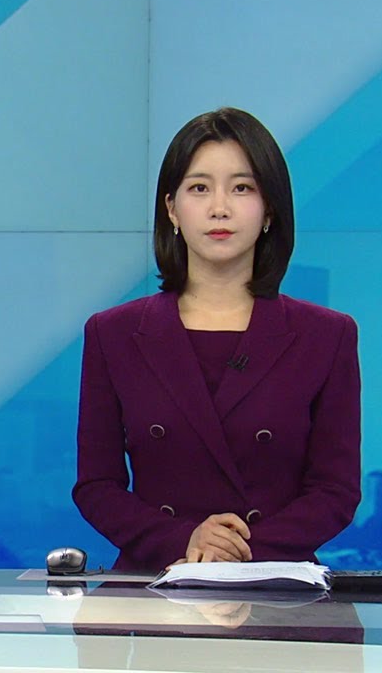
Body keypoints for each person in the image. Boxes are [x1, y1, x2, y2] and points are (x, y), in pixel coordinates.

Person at [72, 107, 361, 570]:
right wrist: (185, 542)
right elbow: (97, 486)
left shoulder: (327, 336)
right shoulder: (113, 334)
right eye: (199, 188)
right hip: (156, 581)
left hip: (275, 583)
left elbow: (336, 492)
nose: (219, 208)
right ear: (172, 209)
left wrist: (237, 555)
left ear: (269, 209)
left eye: (242, 188)